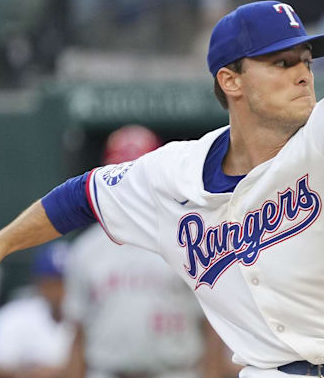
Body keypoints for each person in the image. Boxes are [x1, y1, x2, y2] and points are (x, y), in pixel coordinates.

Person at [0, 0, 324, 377]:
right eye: (281, 62)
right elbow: (81, 196)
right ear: (231, 81)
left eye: (305, 62)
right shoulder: (172, 175)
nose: (302, 75)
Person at [65, 125, 240, 378]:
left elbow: (212, 327)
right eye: (120, 175)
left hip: (175, 370)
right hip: (107, 371)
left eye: (135, 176)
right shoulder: (87, 249)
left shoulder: (188, 240)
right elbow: (78, 333)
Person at [0, 242, 73, 378]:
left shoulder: (94, 316)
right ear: (40, 283)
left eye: (66, 283)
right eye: (54, 283)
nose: (61, 291)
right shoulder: (17, 315)